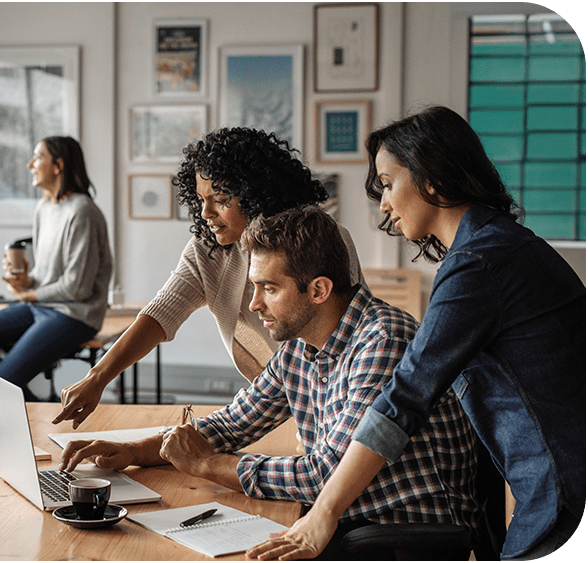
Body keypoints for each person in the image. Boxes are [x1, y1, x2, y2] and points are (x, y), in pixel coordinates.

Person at [248, 106, 586, 562]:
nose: (384, 204)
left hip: (562, 484)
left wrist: (324, 512)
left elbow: (405, 397)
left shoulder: (478, 264)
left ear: (432, 177)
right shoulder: (494, 247)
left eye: (389, 184)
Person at [59, 205, 480, 559]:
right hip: (349, 518)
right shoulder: (302, 344)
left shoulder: (382, 340)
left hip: (401, 532)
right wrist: (136, 451)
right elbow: (230, 424)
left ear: (318, 289)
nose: (254, 303)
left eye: (268, 288)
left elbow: (324, 475)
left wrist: (208, 465)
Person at [54, 127, 364, 429]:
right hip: (271, 401)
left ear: (257, 194)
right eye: (201, 199)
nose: (205, 213)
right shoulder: (209, 248)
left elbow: (345, 339)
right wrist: (97, 378)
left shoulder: (318, 240)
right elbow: (161, 313)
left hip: (335, 398)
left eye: (220, 199)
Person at [0, 136, 113, 402]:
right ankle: (34, 409)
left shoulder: (83, 211)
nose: (30, 164)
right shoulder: (44, 208)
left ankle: (27, 410)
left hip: (75, 315)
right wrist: (26, 281)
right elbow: (47, 276)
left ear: (58, 165)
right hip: (42, 306)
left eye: (38, 157)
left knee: (2, 382)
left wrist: (29, 295)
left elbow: (77, 287)